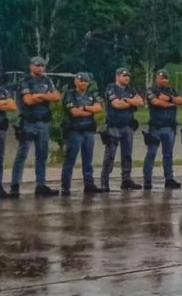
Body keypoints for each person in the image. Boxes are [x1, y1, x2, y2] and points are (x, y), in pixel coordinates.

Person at [12, 56, 62, 197]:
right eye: (37, 65)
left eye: (42, 65)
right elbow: (28, 100)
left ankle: (40, 185)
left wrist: (39, 96)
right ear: (31, 66)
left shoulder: (47, 80)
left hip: (43, 122)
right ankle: (15, 185)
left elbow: (57, 97)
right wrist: (45, 96)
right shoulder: (25, 81)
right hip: (28, 122)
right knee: (22, 154)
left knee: (42, 155)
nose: (40, 67)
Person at [101, 67, 145, 192]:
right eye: (124, 75)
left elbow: (141, 101)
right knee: (110, 156)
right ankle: (105, 182)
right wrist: (131, 102)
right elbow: (116, 104)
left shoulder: (130, 89)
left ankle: (126, 179)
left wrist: (126, 100)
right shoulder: (111, 88)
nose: (127, 78)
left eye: (128, 76)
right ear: (117, 76)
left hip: (128, 126)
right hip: (114, 126)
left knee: (127, 155)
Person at [60, 72, 104, 196]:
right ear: (76, 81)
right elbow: (74, 112)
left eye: (85, 81)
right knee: (70, 160)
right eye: (81, 81)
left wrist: (84, 108)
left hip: (89, 130)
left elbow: (99, 108)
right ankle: (65, 186)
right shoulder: (70, 95)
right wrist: (89, 110)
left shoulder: (91, 95)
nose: (83, 83)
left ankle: (89, 184)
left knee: (88, 160)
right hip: (75, 131)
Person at [143, 70, 182, 190]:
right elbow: (156, 102)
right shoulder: (152, 90)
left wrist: (169, 99)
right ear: (157, 79)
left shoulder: (171, 91)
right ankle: (147, 180)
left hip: (169, 128)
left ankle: (169, 179)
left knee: (168, 155)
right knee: (151, 154)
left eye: (166, 78)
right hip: (156, 128)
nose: (164, 80)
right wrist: (171, 102)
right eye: (162, 78)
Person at [0, 75, 16, 199]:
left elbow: (12, 106)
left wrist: (5, 103)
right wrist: (3, 103)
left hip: (1, 128)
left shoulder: (3, 90)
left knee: (0, 160)